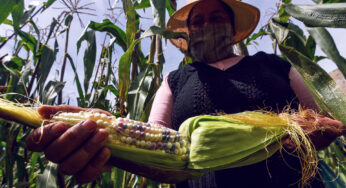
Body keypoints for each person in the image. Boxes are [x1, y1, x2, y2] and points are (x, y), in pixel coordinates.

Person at [25, 0, 345, 187]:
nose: (207, 25)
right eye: (198, 21)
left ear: (232, 30)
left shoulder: (273, 63)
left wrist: (280, 135)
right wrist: (112, 143)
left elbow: (324, 121)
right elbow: (159, 142)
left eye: (217, 18)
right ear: (188, 33)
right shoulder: (175, 79)